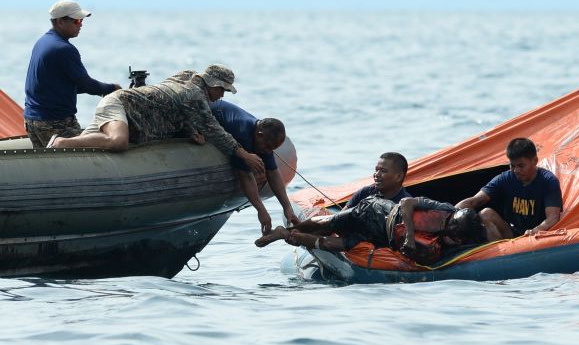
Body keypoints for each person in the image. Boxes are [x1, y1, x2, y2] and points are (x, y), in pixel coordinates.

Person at [49, 64, 265, 175]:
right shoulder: (195, 97)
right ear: (214, 84)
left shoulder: (187, 79)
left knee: (87, 151)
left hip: (132, 115)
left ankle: (59, 159)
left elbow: (173, 108)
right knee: (118, 142)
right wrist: (244, 154)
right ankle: (60, 142)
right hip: (120, 104)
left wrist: (190, 130)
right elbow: (215, 131)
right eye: (223, 90)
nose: (222, 96)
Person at [255, 195, 485, 265]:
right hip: (377, 211)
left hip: (377, 237)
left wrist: (413, 250)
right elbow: (406, 203)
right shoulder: (444, 208)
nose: (450, 227)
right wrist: (411, 237)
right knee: (327, 225)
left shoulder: (451, 243)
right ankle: (293, 228)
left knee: (334, 244)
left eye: (455, 230)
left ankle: (286, 235)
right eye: (453, 222)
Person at [23, 0, 121, 147]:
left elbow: (59, 85)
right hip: (53, 123)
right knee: (102, 145)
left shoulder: (42, 41)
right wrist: (112, 89)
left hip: (32, 120)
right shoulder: (63, 49)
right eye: (76, 21)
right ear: (60, 22)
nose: (81, 24)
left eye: (81, 20)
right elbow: (86, 84)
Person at [209, 99, 300, 234]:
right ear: (259, 135)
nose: (267, 151)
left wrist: (287, 207)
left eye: (271, 149)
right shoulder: (243, 133)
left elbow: (273, 173)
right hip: (207, 112)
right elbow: (246, 176)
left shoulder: (263, 139)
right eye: (267, 147)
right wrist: (261, 211)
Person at [455, 137, 563, 242]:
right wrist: (450, 214)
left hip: (537, 237)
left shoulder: (549, 181)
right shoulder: (505, 178)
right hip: (512, 234)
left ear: (534, 161)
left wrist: (535, 231)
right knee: (485, 213)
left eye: (521, 166)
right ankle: (500, 254)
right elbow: (474, 201)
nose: (516, 170)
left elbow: (553, 217)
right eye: (512, 166)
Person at [344, 152, 412, 209]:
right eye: (376, 170)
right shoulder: (364, 193)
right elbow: (338, 219)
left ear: (399, 176)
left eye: (383, 171)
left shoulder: (406, 205)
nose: (377, 174)